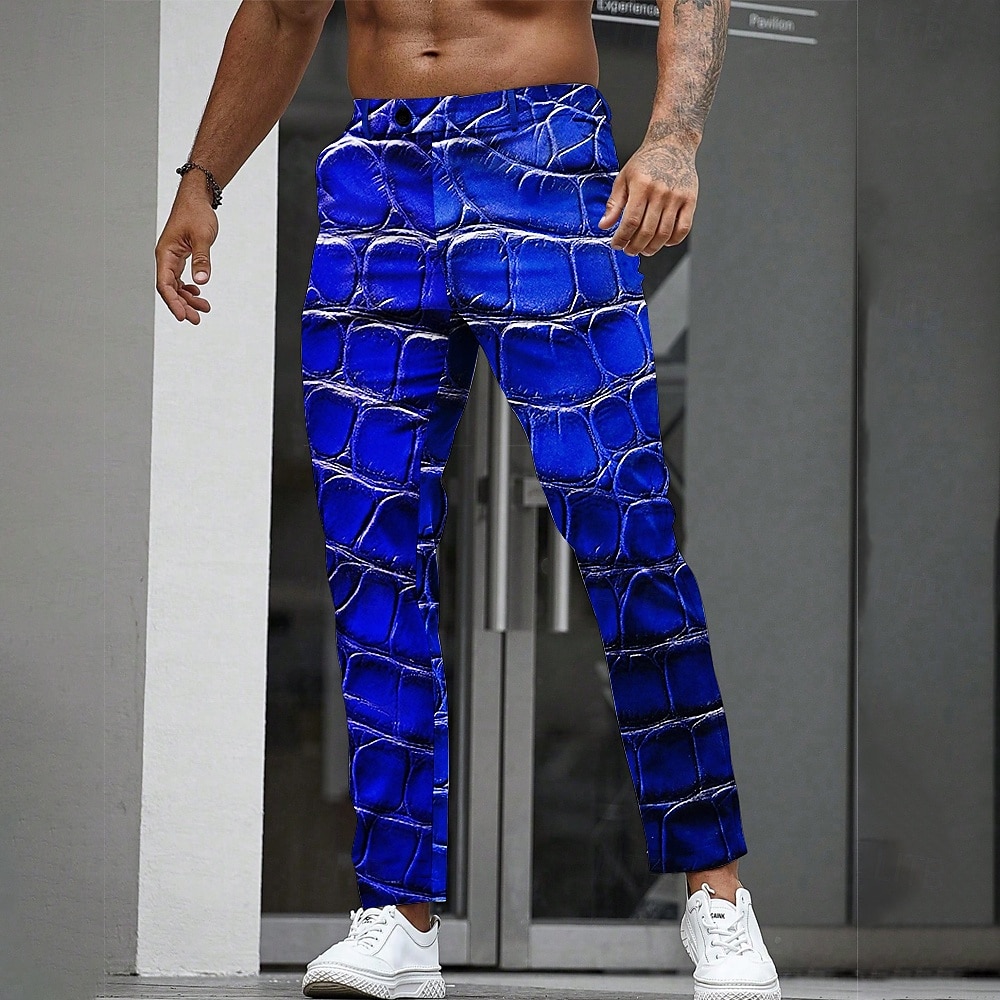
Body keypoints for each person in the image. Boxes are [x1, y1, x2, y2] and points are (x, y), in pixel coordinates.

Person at [154, 2, 780, 999]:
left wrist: (673, 135)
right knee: (370, 551)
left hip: (540, 151)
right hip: (378, 175)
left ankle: (717, 894)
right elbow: (281, 10)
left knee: (624, 527)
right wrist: (202, 179)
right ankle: (397, 917)